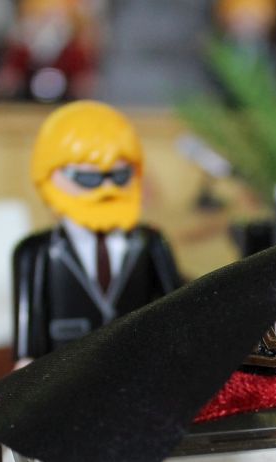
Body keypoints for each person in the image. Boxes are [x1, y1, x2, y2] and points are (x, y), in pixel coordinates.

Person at [13, 101, 181, 363]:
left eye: (120, 175)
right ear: (46, 175)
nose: (107, 189)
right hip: (66, 366)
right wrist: (25, 361)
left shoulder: (150, 241)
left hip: (140, 360)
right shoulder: (35, 251)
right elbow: (29, 317)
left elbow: (178, 305)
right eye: (87, 178)